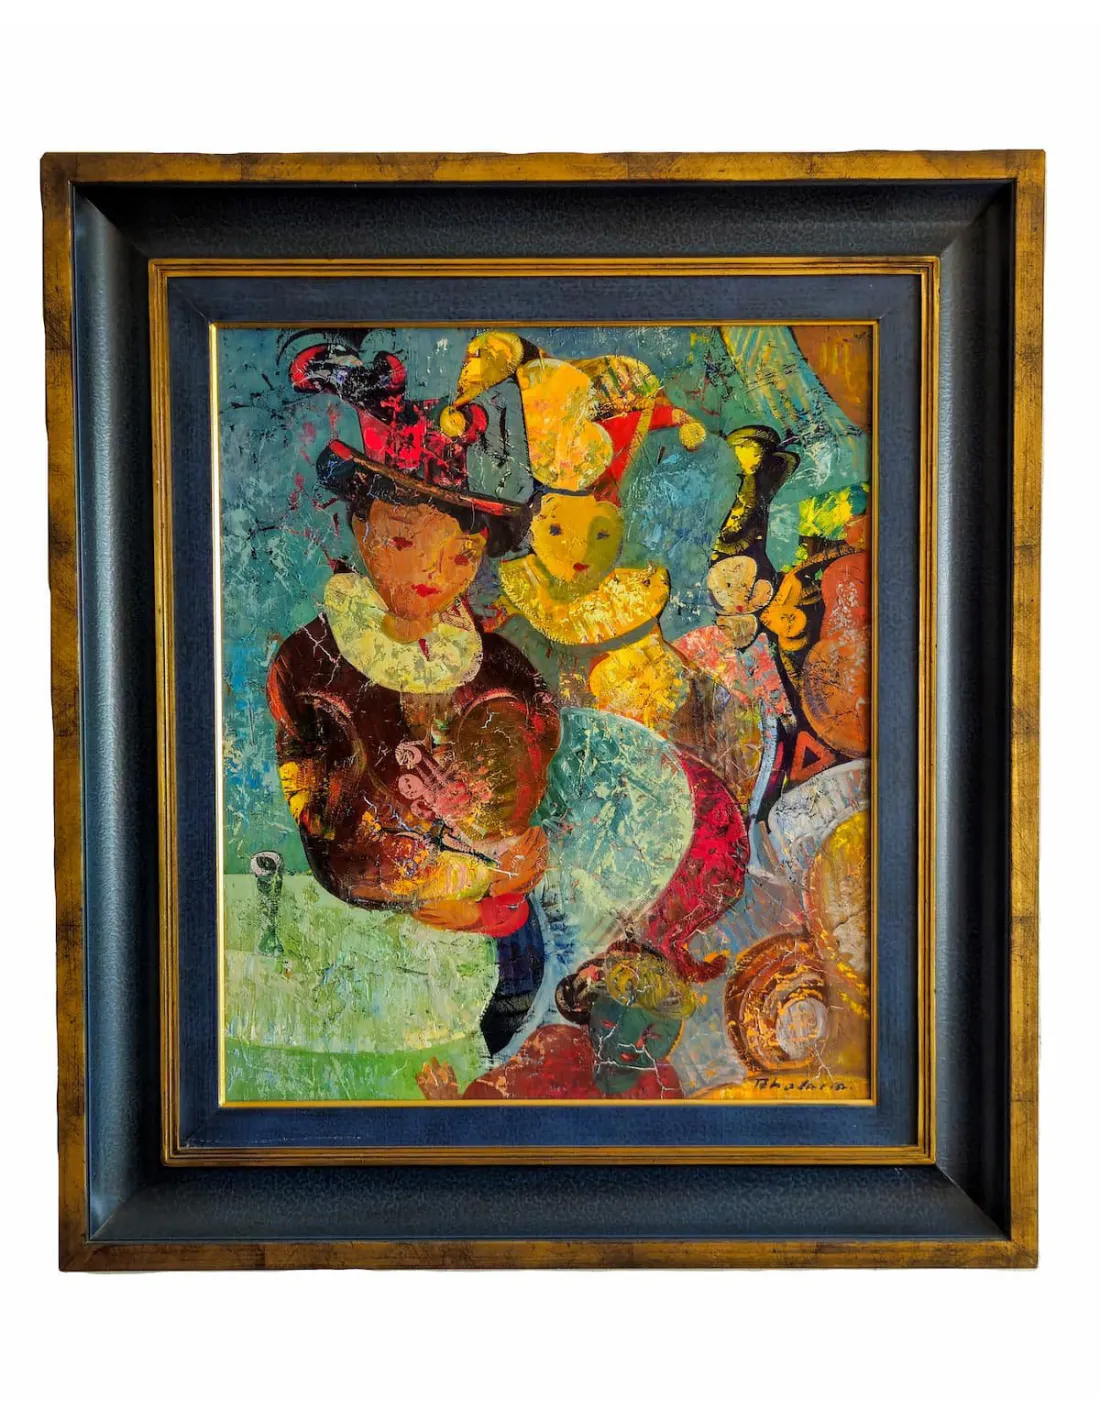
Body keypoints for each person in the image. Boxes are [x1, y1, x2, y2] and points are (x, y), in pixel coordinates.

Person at [267, 345, 561, 945]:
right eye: (403, 542)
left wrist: (495, 899)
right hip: (357, 931)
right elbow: (331, 841)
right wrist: (471, 880)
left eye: (462, 554)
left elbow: (531, 836)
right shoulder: (312, 665)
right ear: (361, 529)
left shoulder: (500, 668)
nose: (432, 574)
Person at [416, 947, 694, 1100]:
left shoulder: (663, 1087)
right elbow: (492, 1098)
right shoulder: (555, 1046)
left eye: (653, 1036)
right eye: (613, 1025)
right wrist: (453, 1108)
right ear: (588, 1014)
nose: (632, 1045)